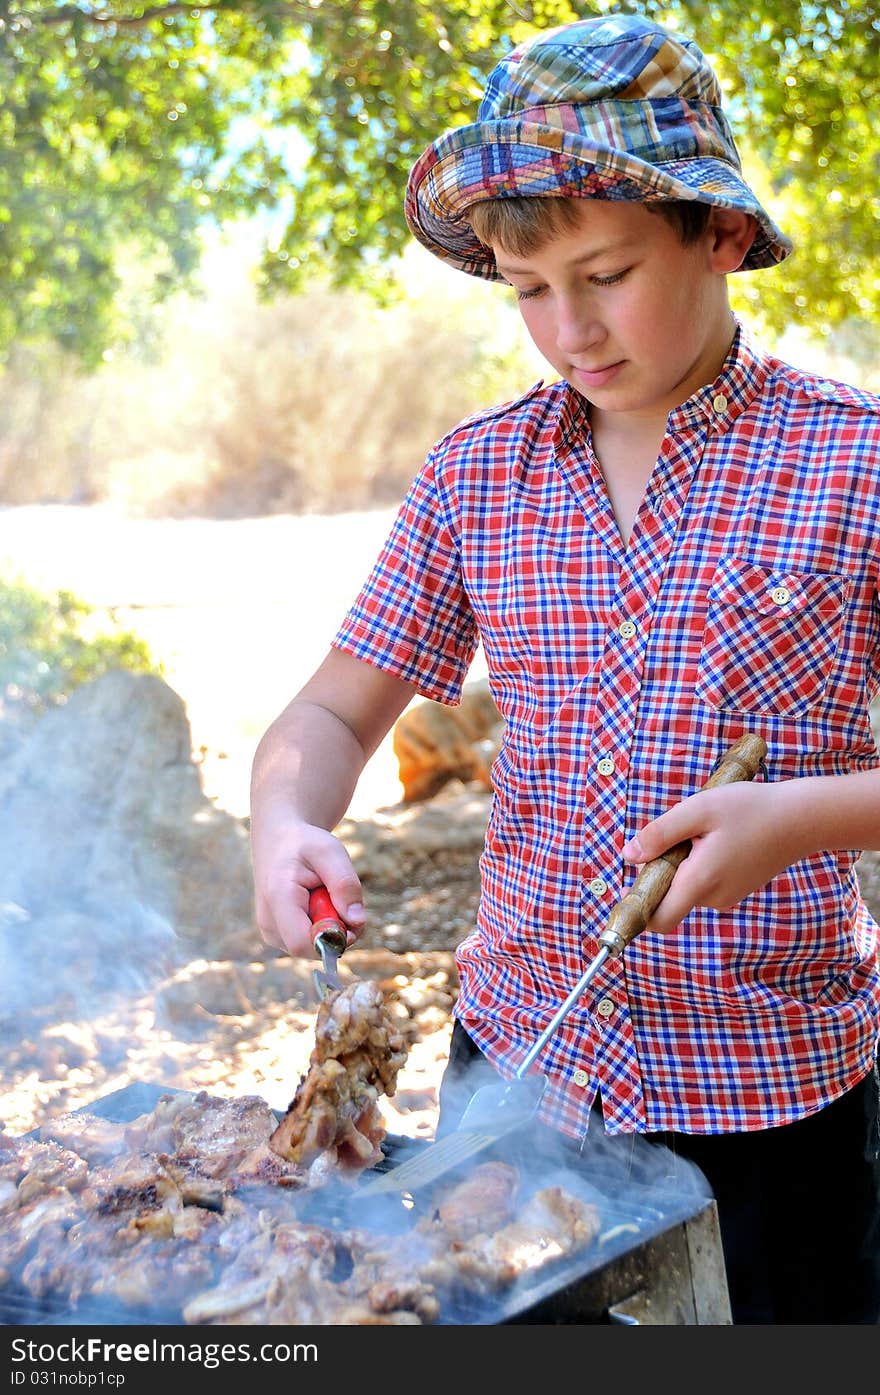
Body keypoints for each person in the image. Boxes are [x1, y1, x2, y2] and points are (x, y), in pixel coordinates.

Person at [249, 14, 880, 1323]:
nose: (569, 329)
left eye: (605, 273)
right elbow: (329, 708)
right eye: (529, 290)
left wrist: (806, 815)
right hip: (522, 1067)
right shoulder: (481, 472)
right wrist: (285, 816)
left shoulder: (853, 461)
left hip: (770, 1092)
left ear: (716, 231)